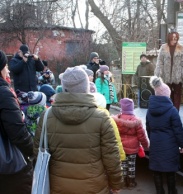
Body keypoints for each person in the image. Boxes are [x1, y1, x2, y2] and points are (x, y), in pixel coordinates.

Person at [33, 66, 123, 194]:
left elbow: (38, 153)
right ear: (86, 87)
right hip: (94, 187)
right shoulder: (102, 118)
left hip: (58, 186)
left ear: (64, 88)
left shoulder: (47, 116)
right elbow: (111, 157)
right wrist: (116, 183)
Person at [0, 50, 34, 194]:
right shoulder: (3, 93)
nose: (7, 70)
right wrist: (33, 151)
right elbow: (18, 133)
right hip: (8, 171)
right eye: (5, 66)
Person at [146, 76, 183, 194]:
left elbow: (148, 127)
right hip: (170, 146)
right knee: (170, 172)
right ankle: (172, 191)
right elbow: (178, 129)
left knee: (156, 171)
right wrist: (182, 144)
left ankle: (159, 191)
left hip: (156, 144)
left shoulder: (150, 110)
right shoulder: (172, 110)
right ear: (167, 95)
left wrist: (152, 139)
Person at [112, 98, 149, 189]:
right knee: (131, 165)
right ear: (132, 108)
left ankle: (123, 182)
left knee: (123, 165)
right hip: (133, 148)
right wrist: (145, 145)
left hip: (121, 147)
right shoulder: (136, 120)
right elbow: (141, 135)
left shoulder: (117, 120)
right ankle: (131, 183)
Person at [154, 30, 183, 111]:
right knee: (166, 95)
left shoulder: (182, 48)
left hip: (178, 77)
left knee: (177, 96)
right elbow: (160, 62)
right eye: (173, 38)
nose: (174, 39)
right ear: (169, 38)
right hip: (166, 76)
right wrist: (157, 74)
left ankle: (175, 112)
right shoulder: (163, 48)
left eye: (176, 38)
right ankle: (167, 111)